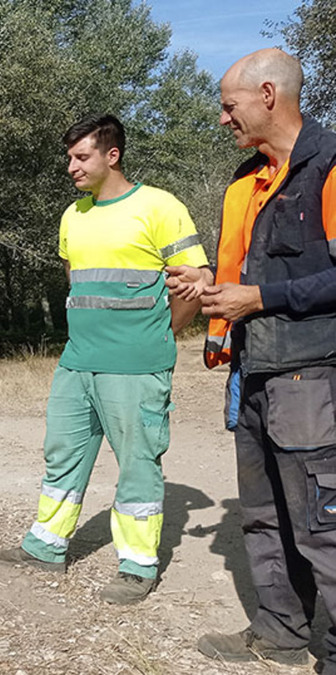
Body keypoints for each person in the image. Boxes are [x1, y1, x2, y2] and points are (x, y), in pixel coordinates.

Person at [0, 114, 210, 605]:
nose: (71, 166)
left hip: (135, 366)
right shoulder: (73, 216)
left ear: (112, 155)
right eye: (69, 157)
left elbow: (196, 284)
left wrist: (157, 334)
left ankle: (137, 566)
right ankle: (46, 545)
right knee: (61, 454)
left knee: (136, 463)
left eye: (81, 156)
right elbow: (78, 285)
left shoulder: (159, 206)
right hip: (77, 362)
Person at [167, 48, 336, 672]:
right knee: (264, 516)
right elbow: (249, 276)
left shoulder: (330, 166)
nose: (221, 118)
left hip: (315, 374)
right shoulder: (249, 179)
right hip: (256, 371)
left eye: (228, 104)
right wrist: (209, 288)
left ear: (268, 95)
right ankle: (281, 633)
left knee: (323, 521)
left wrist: (258, 296)